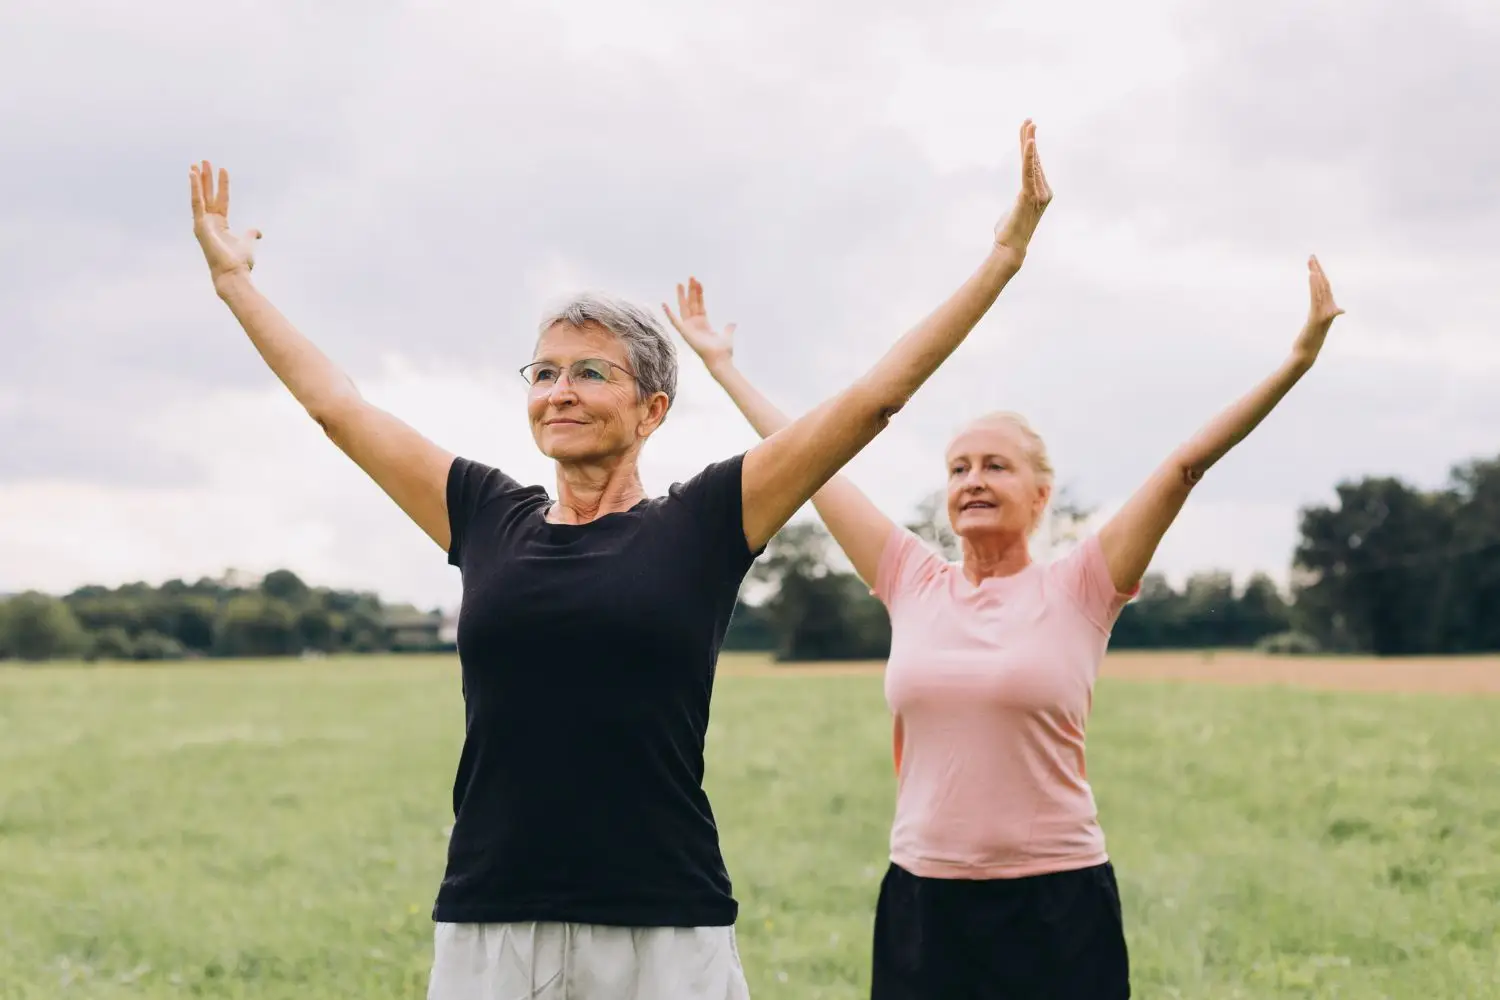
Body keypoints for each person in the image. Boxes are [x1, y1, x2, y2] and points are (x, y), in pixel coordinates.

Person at [185, 118, 1054, 998]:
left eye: (591, 373)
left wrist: (1003, 257)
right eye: (545, 372)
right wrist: (235, 286)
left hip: (664, 926)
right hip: (493, 921)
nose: (560, 391)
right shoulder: (485, 514)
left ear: (653, 409)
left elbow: (874, 399)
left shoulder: (708, 519)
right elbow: (341, 410)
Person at [668, 244, 1345, 997]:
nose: (972, 481)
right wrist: (723, 366)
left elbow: (1185, 465)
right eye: (958, 468)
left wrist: (1297, 359)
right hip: (924, 899)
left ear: (1040, 493)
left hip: (1056, 901)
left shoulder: (1085, 584)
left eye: (995, 465)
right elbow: (809, 462)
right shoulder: (911, 579)